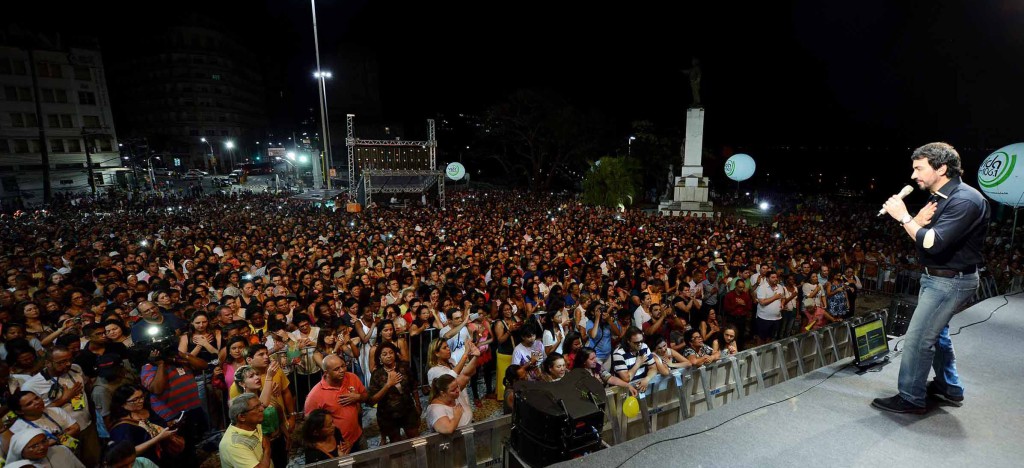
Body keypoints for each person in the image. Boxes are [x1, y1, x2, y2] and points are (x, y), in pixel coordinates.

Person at [874, 142, 988, 414]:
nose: (914, 175)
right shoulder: (940, 196)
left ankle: (911, 398)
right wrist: (915, 221)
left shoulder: (965, 200)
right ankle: (949, 388)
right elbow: (921, 234)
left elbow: (932, 244)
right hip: (937, 279)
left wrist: (903, 217)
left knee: (918, 339)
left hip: (950, 282)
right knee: (937, 336)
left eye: (919, 168)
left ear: (942, 168)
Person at [21, 345, 101, 466]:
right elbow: (34, 412)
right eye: (61, 362)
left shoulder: (75, 369)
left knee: (94, 461)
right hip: (62, 433)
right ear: (48, 363)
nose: (68, 364)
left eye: (70, 359)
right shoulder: (32, 385)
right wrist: (64, 399)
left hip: (87, 426)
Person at [304, 354, 367, 454]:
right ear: (326, 373)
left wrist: (358, 397)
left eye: (343, 366)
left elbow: (366, 396)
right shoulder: (315, 396)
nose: (342, 370)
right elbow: (310, 428)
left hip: (358, 436)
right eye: (337, 369)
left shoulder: (352, 377)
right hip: (339, 447)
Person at [107, 384, 180, 466]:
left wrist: (169, 424)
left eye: (141, 397)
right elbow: (128, 453)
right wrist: (158, 438)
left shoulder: (146, 410)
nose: (141, 401)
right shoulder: (121, 427)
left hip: (164, 455)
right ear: (122, 403)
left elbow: (157, 425)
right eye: (135, 400)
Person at [233, 364, 288, 468]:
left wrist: (286, 435)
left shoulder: (267, 394)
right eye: (251, 376)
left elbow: (278, 415)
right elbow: (261, 406)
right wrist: (269, 378)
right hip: (262, 446)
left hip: (278, 441)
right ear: (242, 383)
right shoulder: (242, 404)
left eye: (257, 374)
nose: (257, 377)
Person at [367, 342, 420, 444]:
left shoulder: (404, 367)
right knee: (396, 444)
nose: (389, 356)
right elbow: (372, 401)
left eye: (391, 352)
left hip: (408, 410)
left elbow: (414, 387)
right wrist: (388, 385)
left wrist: (418, 404)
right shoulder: (377, 374)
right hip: (388, 415)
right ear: (380, 358)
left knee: (416, 439)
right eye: (385, 354)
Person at [219, 393, 272, 468]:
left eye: (260, 404)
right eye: (256, 407)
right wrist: (267, 450)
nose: (262, 409)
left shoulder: (253, 423)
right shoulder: (234, 445)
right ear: (242, 417)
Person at [5, 427, 85, 468]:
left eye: (44, 441)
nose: (42, 447)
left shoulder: (61, 450)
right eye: (34, 446)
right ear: (21, 450)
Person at [753, 271, 784, 345]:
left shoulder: (780, 287)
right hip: (764, 318)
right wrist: (774, 297)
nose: (775, 279)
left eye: (776, 277)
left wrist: (782, 304)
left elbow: (783, 298)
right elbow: (762, 302)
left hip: (776, 318)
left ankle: (767, 353)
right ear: (767, 279)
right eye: (773, 277)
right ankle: (759, 354)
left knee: (770, 337)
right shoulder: (762, 288)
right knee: (761, 337)